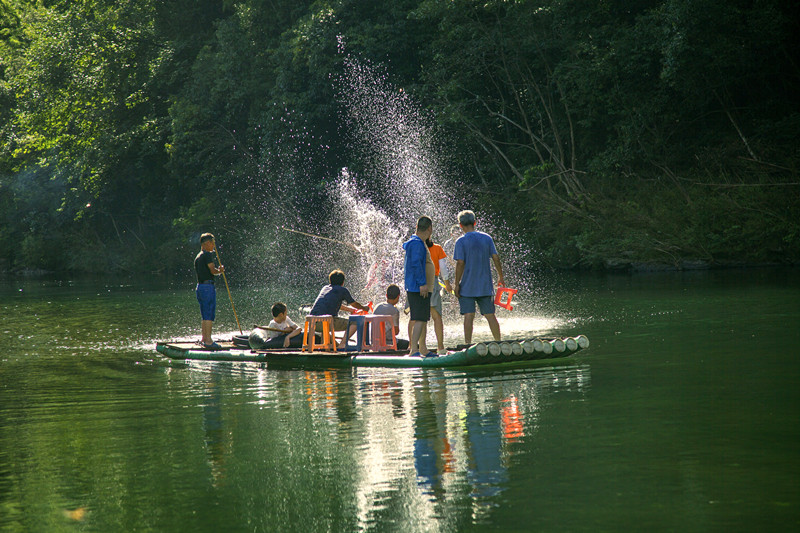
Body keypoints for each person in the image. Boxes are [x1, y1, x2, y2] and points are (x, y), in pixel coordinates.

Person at [453, 210, 504, 344]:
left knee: (469, 316)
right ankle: (499, 342)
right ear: (475, 223)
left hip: (467, 287)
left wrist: (456, 283)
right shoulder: (487, 238)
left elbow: (460, 263)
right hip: (484, 286)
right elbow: (496, 258)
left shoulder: (460, 241)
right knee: (490, 315)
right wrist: (500, 277)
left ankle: (468, 345)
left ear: (460, 225)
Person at [309, 269, 371, 350]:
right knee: (356, 322)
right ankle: (343, 344)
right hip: (325, 321)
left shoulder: (325, 288)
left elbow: (338, 305)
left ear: (330, 280)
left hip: (312, 322)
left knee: (326, 323)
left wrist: (351, 310)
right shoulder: (342, 290)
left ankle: (329, 346)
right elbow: (354, 304)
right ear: (343, 282)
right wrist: (364, 307)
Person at [403, 216, 436, 357]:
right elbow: (416, 264)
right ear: (429, 228)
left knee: (423, 319)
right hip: (418, 288)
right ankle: (414, 350)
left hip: (420, 287)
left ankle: (423, 349)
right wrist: (422, 283)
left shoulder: (418, 242)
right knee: (419, 318)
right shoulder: (417, 243)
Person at [195, 233, 225, 349]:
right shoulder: (207, 255)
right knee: (209, 314)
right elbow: (212, 271)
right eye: (212, 243)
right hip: (207, 287)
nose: (213, 245)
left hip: (200, 287)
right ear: (206, 243)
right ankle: (208, 341)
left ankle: (204, 338)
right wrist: (220, 270)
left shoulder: (198, 256)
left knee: (205, 313)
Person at [426, 237, 453, 354]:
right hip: (433, 281)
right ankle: (440, 347)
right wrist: (447, 284)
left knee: (418, 318)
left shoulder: (415, 248)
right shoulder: (437, 248)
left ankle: (414, 347)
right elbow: (443, 269)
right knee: (436, 316)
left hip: (417, 284)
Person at [373, 284, 410, 351]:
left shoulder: (377, 306)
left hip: (375, 342)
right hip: (389, 343)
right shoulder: (394, 311)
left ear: (386, 295)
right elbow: (396, 332)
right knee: (412, 345)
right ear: (398, 297)